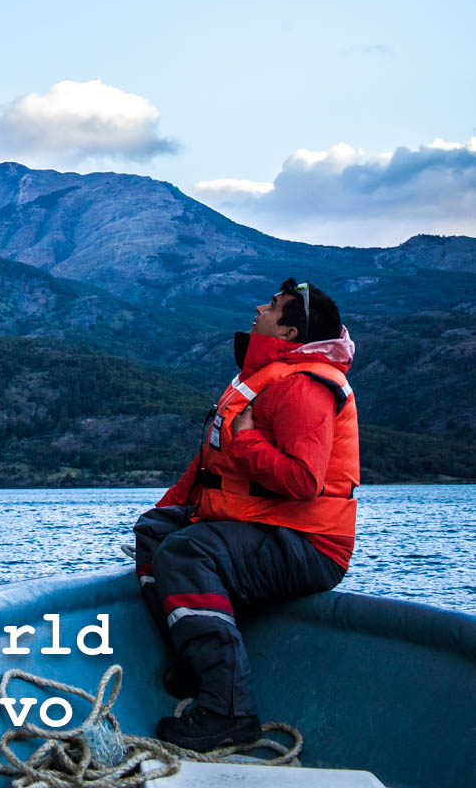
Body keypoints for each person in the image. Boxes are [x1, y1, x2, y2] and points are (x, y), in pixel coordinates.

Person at [133, 276, 359, 752]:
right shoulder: (263, 380)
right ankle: (199, 663)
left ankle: (229, 710)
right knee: (157, 535)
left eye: (273, 306)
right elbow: (205, 475)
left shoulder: (303, 388)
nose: (260, 307)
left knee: (187, 555)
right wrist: (162, 513)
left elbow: (303, 480)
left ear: (289, 334)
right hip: (264, 527)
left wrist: (248, 438)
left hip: (310, 544)